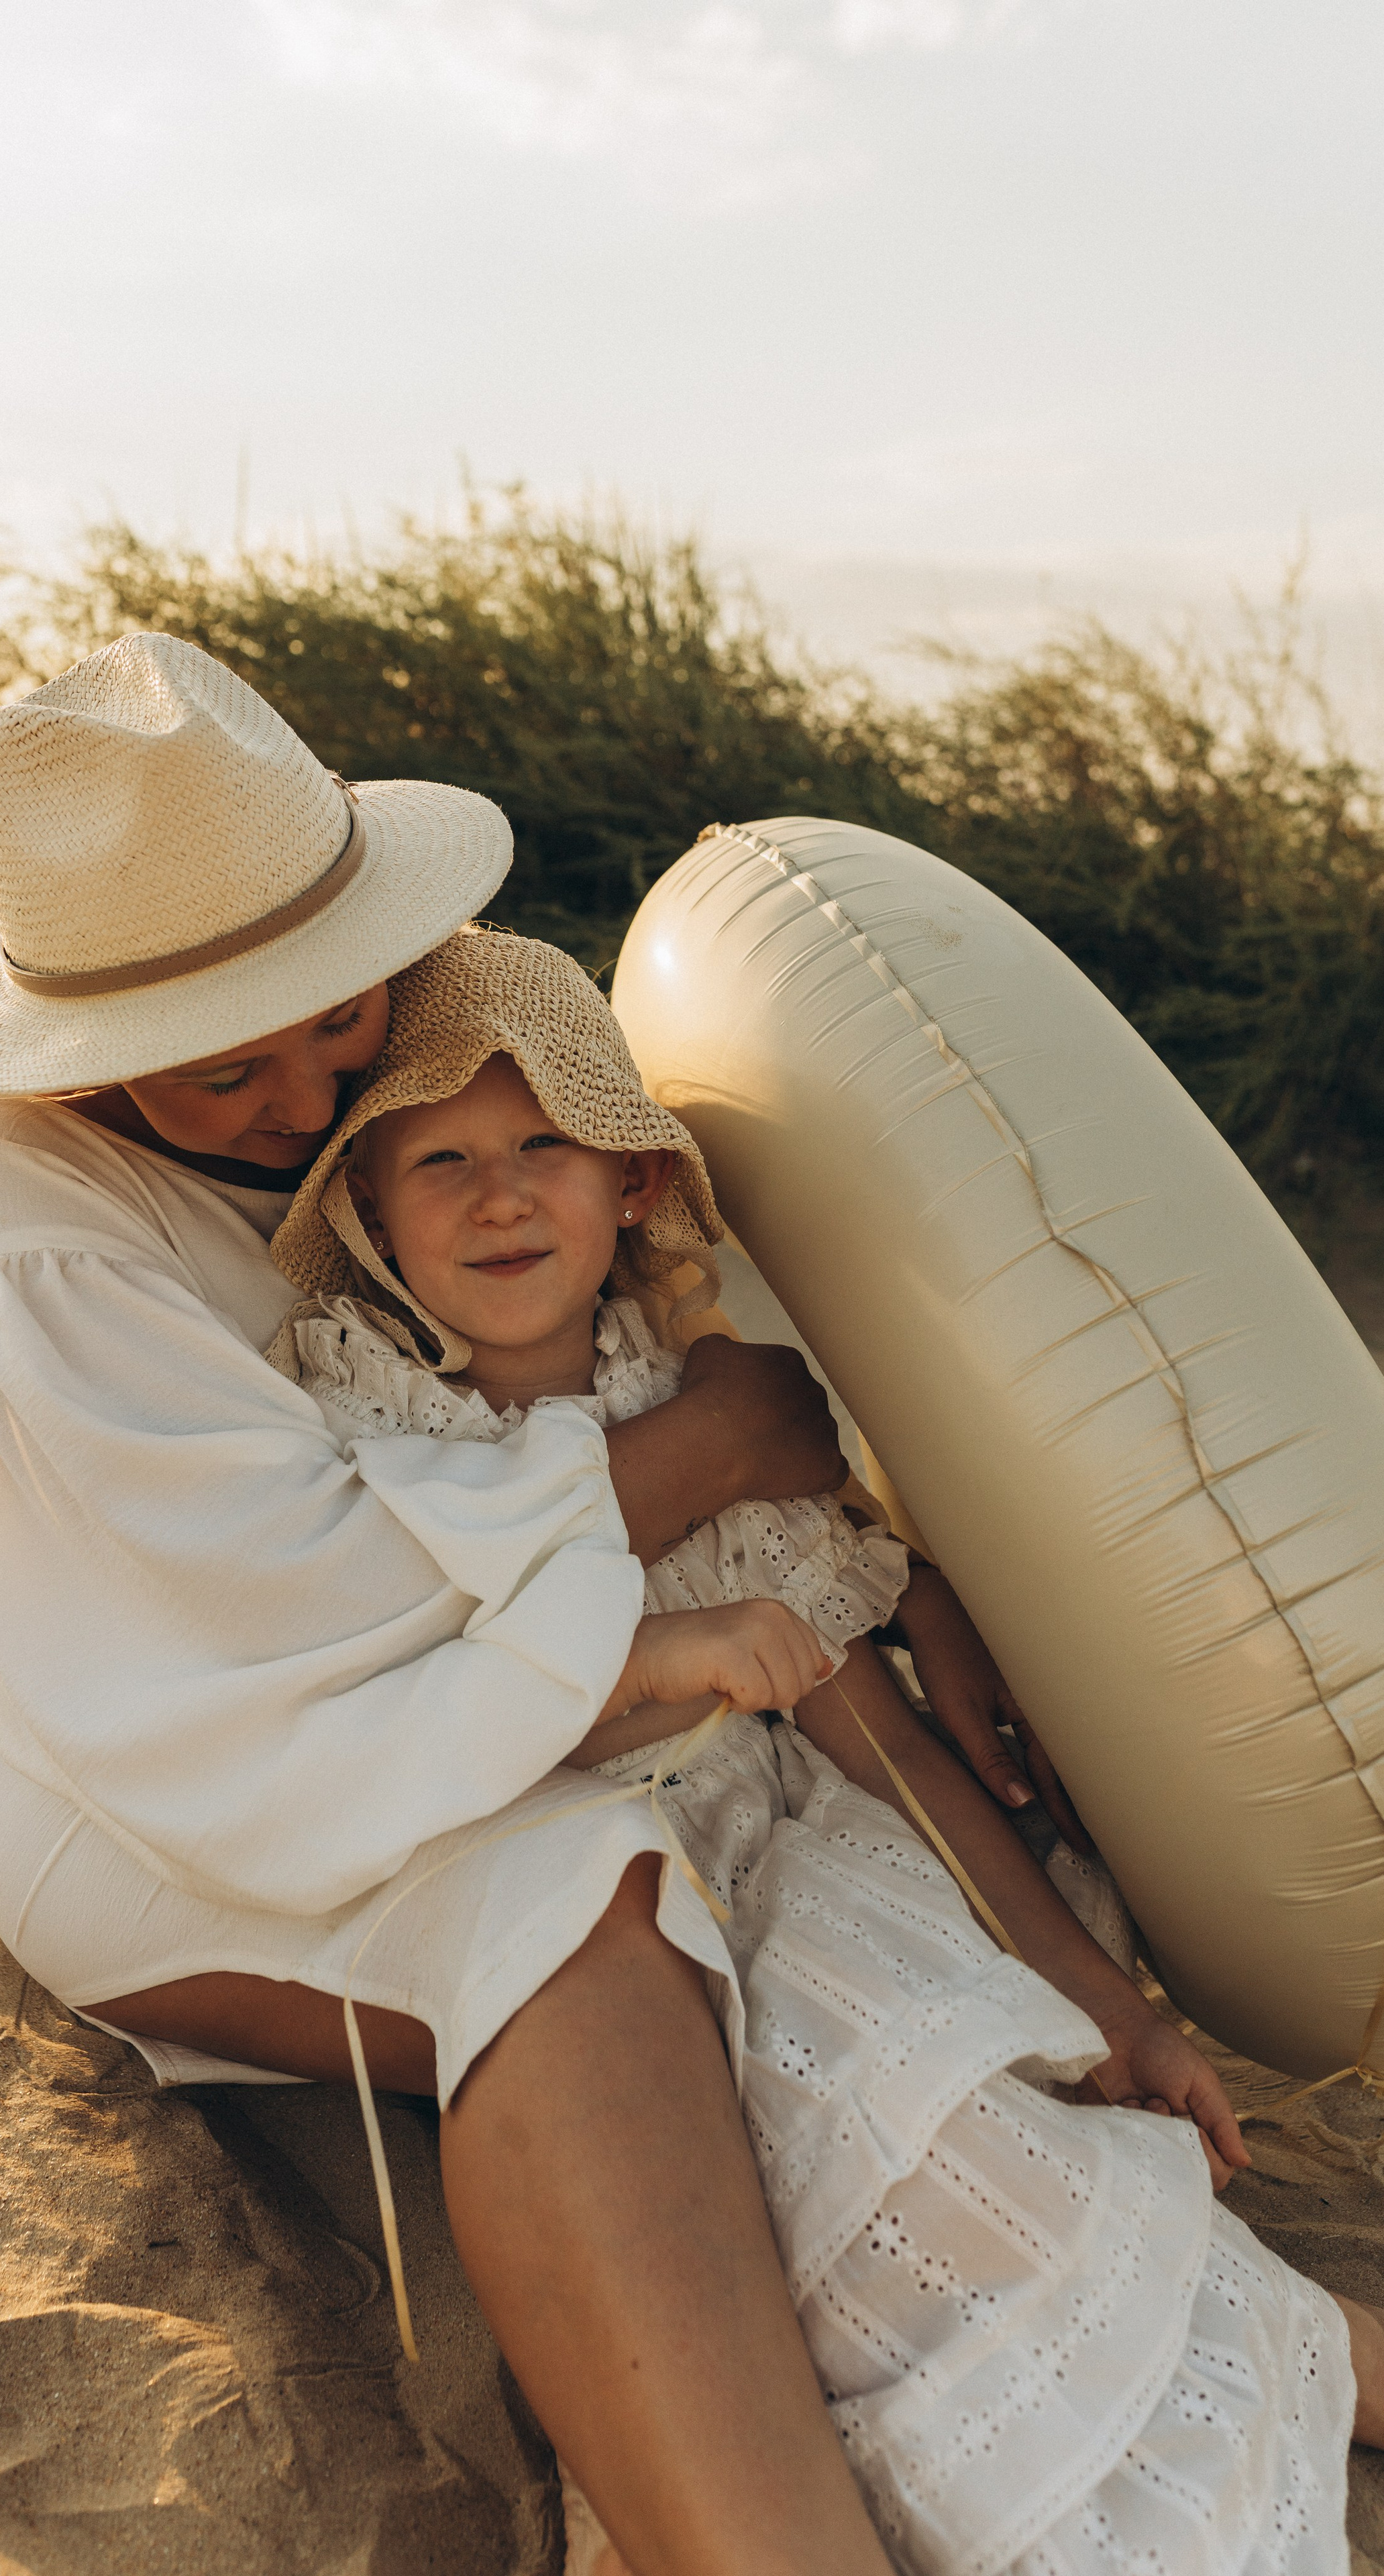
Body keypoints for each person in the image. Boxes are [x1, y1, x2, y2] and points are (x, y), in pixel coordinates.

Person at [0, 633, 1377, 2575]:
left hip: (523, 1661)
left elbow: (646, 1322)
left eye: (320, 1016)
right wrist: (730, 1450)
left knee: (872, 1874)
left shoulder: (429, 1048)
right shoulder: (26, 1233)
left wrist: (896, 1545)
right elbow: (320, 1624)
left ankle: (1211, 2329)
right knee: (585, 1904)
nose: (294, 1088)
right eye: (222, 1054)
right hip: (172, 1738)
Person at [258, 923, 1373, 2573]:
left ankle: (1307, 2355)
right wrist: (661, 1657)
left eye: (545, 1148)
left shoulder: (700, 1408)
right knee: (819, 2177)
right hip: (574, 1884)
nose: (501, 1198)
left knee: (949, 2098)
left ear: (630, 1190)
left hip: (790, 1859)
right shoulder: (356, 1420)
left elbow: (886, 1747)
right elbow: (383, 1700)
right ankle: (1303, 2362)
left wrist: (1113, 2004)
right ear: (366, 1210)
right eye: (441, 1161)